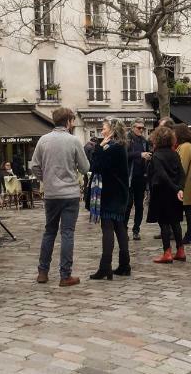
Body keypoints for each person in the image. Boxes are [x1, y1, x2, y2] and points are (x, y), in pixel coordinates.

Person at [31, 107, 90, 287]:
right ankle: (65, 275)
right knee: (67, 233)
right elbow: (86, 167)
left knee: (49, 231)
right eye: (72, 121)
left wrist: (46, 178)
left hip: (51, 194)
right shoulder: (73, 141)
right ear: (68, 122)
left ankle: (43, 271)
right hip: (70, 194)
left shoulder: (43, 140)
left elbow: (34, 166)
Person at [88, 118, 130, 279]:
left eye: (104, 128)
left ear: (111, 130)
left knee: (108, 228)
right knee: (120, 227)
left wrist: (98, 147)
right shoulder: (119, 147)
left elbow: (96, 166)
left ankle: (105, 267)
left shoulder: (112, 148)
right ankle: (125, 265)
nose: (102, 130)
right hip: (119, 193)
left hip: (110, 193)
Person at [147, 125, 186, 263]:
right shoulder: (174, 153)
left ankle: (167, 252)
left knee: (164, 223)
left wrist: (175, 188)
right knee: (175, 222)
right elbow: (182, 173)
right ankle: (180, 250)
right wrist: (180, 188)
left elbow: (162, 175)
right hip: (175, 193)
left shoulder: (156, 155)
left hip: (162, 192)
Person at [126, 119, 151, 241]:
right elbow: (124, 155)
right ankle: (124, 229)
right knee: (128, 204)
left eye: (143, 128)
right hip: (129, 177)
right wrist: (139, 154)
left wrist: (148, 157)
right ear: (132, 128)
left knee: (139, 205)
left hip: (141, 177)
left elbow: (147, 153)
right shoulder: (127, 140)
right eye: (139, 128)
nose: (141, 130)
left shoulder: (144, 141)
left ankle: (136, 229)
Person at [174, 123, 191, 244]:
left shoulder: (185, 147)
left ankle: (189, 234)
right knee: (186, 209)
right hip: (187, 184)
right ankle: (189, 233)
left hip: (185, 185)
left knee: (186, 209)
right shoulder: (185, 146)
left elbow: (181, 166)